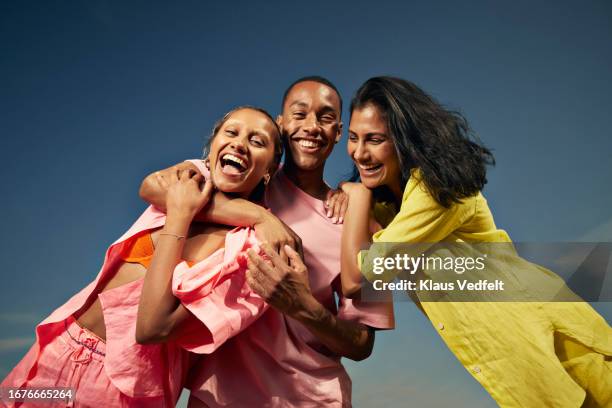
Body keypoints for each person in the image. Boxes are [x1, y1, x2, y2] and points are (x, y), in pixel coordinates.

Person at [337, 76, 612, 407]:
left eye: (375, 139)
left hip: (541, 332)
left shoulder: (435, 190)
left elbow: (357, 278)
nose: (360, 153)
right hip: (513, 341)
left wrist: (354, 199)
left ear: (403, 140)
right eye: (353, 138)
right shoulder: (386, 204)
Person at [0, 106, 281, 407]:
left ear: (270, 170)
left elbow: (153, 328)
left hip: (126, 389)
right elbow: (148, 186)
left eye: (257, 141)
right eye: (231, 131)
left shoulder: (251, 249)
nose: (239, 143)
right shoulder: (190, 179)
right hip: (57, 351)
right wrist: (252, 213)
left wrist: (180, 213)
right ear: (212, 148)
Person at [140, 76, 394, 407]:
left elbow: (363, 345)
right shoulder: (241, 176)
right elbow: (155, 187)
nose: (312, 126)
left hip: (312, 399)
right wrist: (261, 217)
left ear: (338, 132)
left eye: (326, 117)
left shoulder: (366, 226)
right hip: (215, 397)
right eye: (299, 114)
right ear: (281, 123)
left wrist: (304, 308)